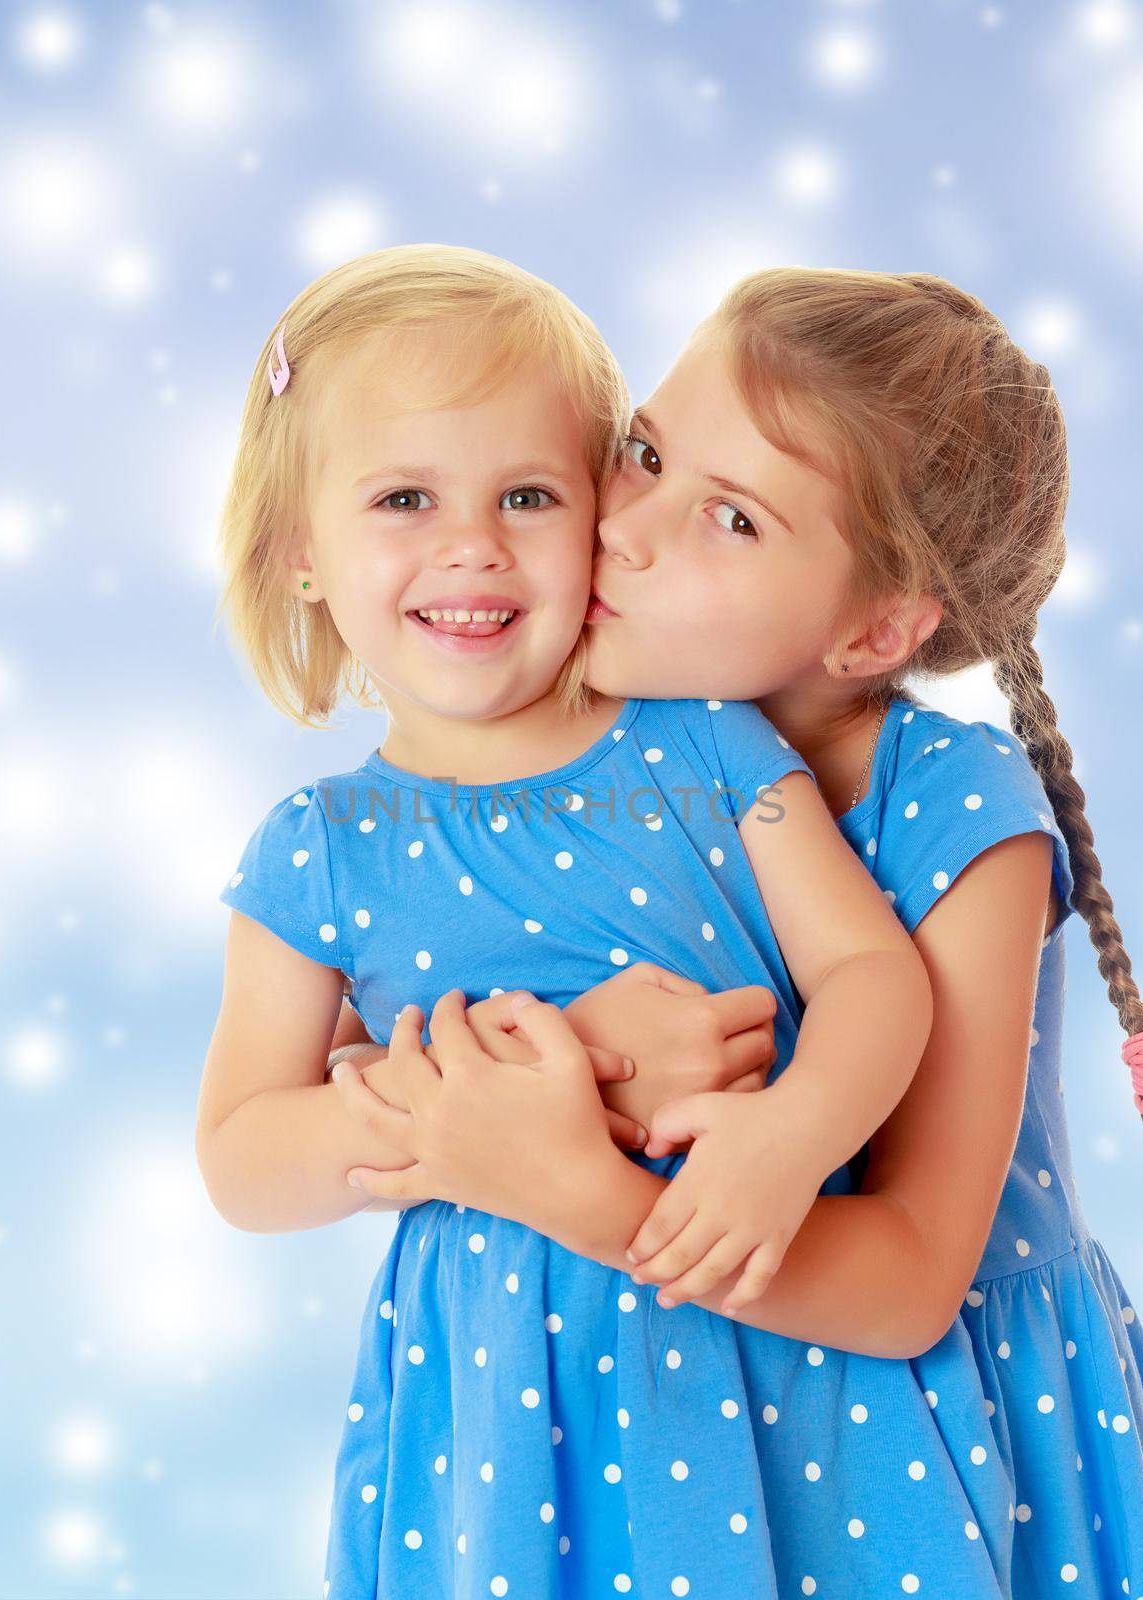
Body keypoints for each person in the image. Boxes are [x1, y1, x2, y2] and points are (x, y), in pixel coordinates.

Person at [334, 266, 1143, 1598]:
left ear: (876, 628)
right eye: (645, 452)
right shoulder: (618, 742)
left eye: (732, 520)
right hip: (653, 1424)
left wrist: (583, 1188)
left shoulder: (955, 818)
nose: (629, 528)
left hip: (918, 1439)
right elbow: (379, 1061)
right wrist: (434, 1083)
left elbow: (907, 1283)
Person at [199, 243, 939, 1597]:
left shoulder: (708, 749)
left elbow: (870, 973)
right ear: (303, 555)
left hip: (769, 1335)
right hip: (494, 1418)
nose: (470, 545)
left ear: (595, 509)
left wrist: (790, 1134)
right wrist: (484, 1109)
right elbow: (244, 1158)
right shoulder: (322, 852)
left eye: (526, 495)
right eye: (404, 498)